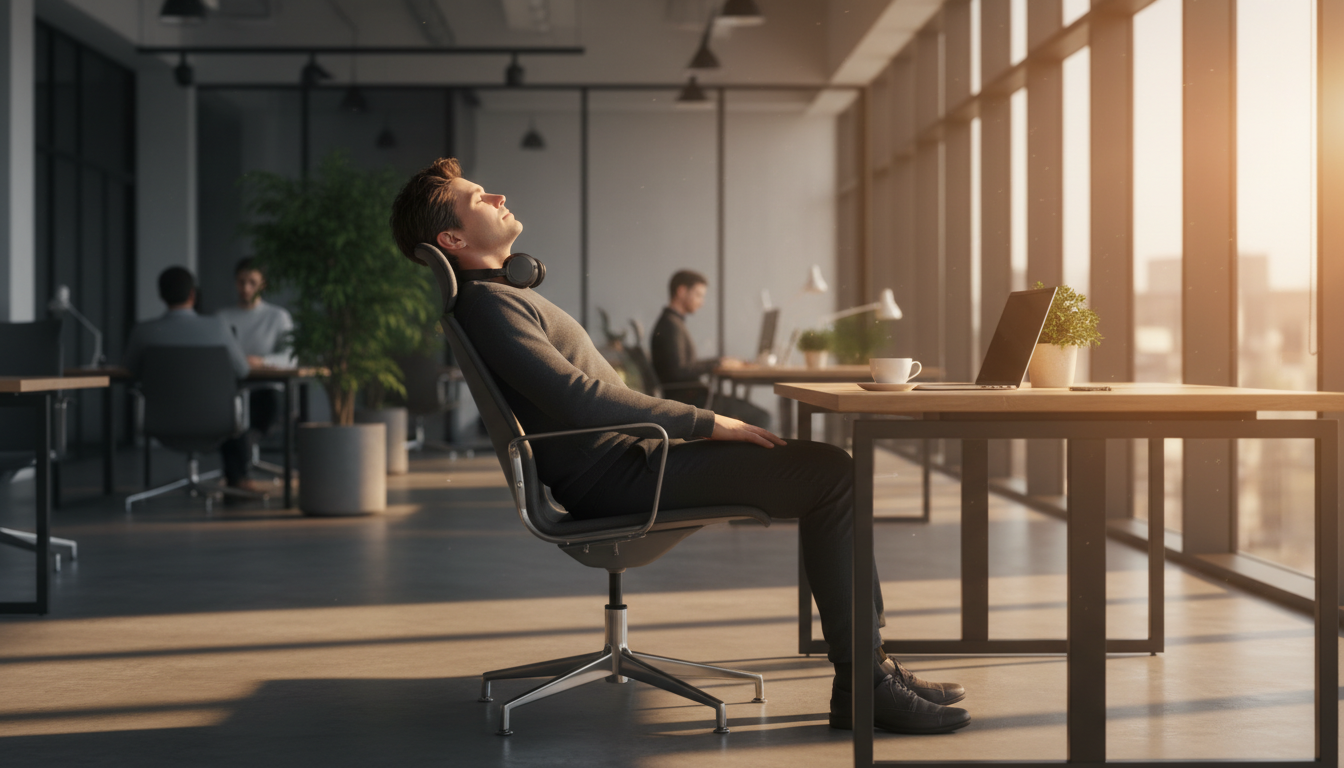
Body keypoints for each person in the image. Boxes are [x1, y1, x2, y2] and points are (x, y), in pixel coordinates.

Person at [388, 158, 970, 735]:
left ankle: (870, 674)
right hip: (621, 476)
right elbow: (580, 401)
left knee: (830, 470)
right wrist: (708, 421)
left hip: (630, 462)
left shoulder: (499, 296)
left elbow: (585, 398)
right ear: (452, 238)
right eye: (477, 198)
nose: (496, 197)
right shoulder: (488, 304)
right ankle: (866, 687)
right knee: (832, 475)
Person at [650, 270, 772, 429]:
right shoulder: (670, 326)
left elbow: (684, 365)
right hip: (690, 402)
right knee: (762, 417)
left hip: (691, 397)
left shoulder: (672, 322)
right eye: (699, 295)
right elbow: (679, 370)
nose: (701, 302)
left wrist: (718, 361)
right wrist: (716, 364)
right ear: (681, 291)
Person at [217, 258, 295, 493]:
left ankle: (237, 479)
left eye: (252, 282)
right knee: (232, 415)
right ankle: (239, 480)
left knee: (242, 421)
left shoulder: (277, 316)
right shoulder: (222, 317)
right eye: (241, 282)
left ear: (263, 285)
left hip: (267, 388)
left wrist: (261, 361)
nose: (246, 288)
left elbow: (291, 358)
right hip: (232, 388)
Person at [123, 266, 249, 382]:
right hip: (213, 406)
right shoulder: (219, 327)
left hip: (160, 405)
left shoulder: (143, 331)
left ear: (161, 295)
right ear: (192, 294)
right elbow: (242, 370)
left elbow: (129, 371)